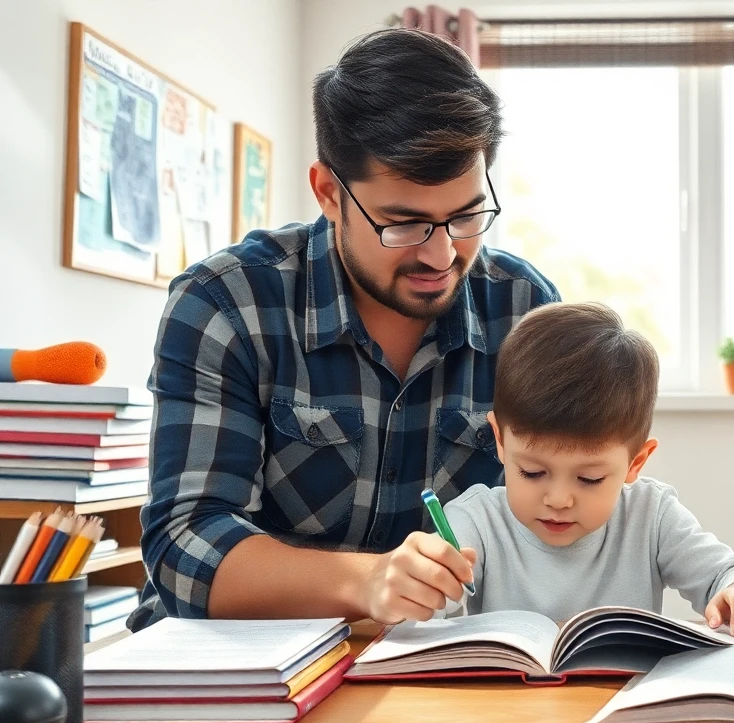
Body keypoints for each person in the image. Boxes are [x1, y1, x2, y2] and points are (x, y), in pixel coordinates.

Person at [129, 28, 558, 631]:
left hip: (429, 658)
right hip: (238, 664)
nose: (441, 256)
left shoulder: (523, 313)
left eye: (466, 217)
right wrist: (368, 582)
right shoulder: (226, 304)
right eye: (403, 223)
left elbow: (565, 512)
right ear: (329, 193)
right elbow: (185, 545)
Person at [429, 302, 734, 638]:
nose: (559, 499)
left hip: (625, 698)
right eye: (533, 472)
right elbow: (429, 598)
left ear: (635, 462)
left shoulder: (652, 516)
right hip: (505, 698)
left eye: (589, 479)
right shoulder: (476, 520)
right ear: (500, 442)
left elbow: (730, 572)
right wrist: (420, 583)